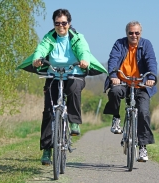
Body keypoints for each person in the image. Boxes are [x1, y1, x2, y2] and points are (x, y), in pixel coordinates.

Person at [16, 9, 107, 165]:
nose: (61, 26)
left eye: (64, 23)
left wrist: (84, 60)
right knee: (48, 112)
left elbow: (83, 50)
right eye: (57, 23)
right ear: (54, 24)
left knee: (73, 89)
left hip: (73, 74)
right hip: (54, 75)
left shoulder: (77, 38)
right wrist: (38, 58)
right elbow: (41, 49)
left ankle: (74, 122)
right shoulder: (49, 37)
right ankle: (47, 150)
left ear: (69, 24)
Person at [103, 21, 158, 161]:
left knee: (143, 113)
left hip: (141, 84)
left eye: (137, 33)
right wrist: (113, 76)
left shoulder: (146, 45)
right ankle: (116, 118)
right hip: (122, 81)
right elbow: (113, 60)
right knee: (114, 92)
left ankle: (143, 148)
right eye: (131, 33)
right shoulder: (119, 44)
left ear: (141, 33)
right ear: (126, 33)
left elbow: (151, 61)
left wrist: (151, 77)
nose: (134, 35)